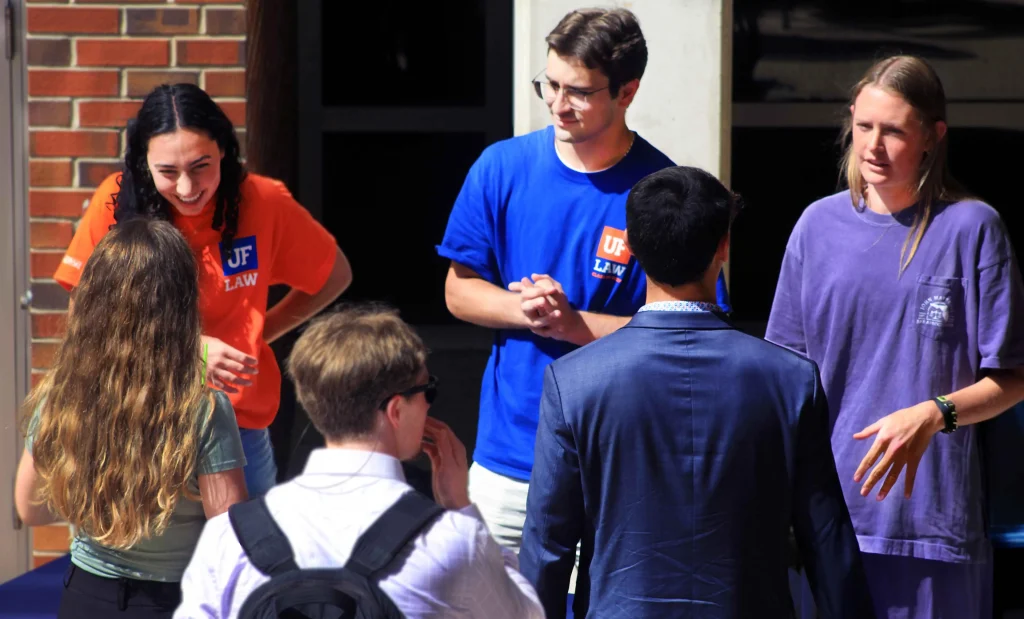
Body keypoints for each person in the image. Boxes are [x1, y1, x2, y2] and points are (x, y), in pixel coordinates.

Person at [437, 6, 730, 555]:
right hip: (507, 461)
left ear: (627, 92)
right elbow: (458, 290)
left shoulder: (663, 190)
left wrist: (575, 325)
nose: (556, 103)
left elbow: (694, 333)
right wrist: (523, 309)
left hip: (615, 462)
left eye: (579, 91)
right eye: (549, 84)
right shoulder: (501, 167)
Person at [517, 166, 873, 619]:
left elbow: (548, 544)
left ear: (630, 245)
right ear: (723, 246)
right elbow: (826, 539)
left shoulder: (574, 381)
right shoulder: (790, 380)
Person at [765, 55, 1024, 619]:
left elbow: (1011, 379)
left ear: (932, 137)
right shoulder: (816, 226)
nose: (872, 146)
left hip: (932, 526)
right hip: (828, 523)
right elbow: (782, 379)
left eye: (893, 131)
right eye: (863, 127)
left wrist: (933, 414)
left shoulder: (973, 228)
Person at [53, 84, 352, 497]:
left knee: (247, 557)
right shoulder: (115, 201)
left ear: (225, 150)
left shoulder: (263, 201)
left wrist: (261, 333)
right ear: (144, 163)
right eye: (168, 172)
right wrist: (186, 349)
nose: (188, 188)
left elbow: (334, 274)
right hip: (139, 423)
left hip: (240, 427)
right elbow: (83, 318)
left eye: (200, 166)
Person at [175, 305, 545, 618]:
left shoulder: (231, 537)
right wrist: (461, 507)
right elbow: (526, 613)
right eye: (427, 390)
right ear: (397, 409)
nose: (430, 403)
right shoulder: (450, 540)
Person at [15, 218, 248, 618]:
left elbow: (31, 508)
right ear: (180, 303)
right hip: (176, 600)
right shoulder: (203, 408)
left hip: (85, 595)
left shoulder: (60, 393)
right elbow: (230, 532)